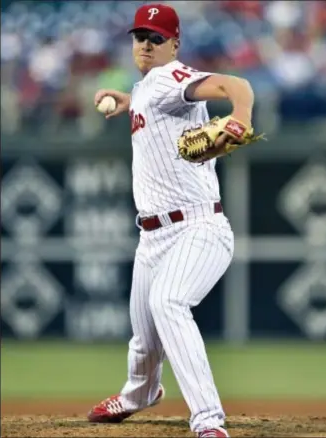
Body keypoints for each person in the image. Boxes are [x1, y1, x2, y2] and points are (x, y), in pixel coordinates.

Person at [88, 4, 255, 438]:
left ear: (174, 43)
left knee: (169, 303)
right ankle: (140, 393)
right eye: (140, 35)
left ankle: (208, 419)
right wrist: (129, 103)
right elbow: (156, 104)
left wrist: (240, 117)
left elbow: (233, 83)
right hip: (153, 237)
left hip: (197, 228)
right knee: (144, 339)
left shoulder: (168, 78)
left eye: (156, 37)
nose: (145, 43)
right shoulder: (147, 87)